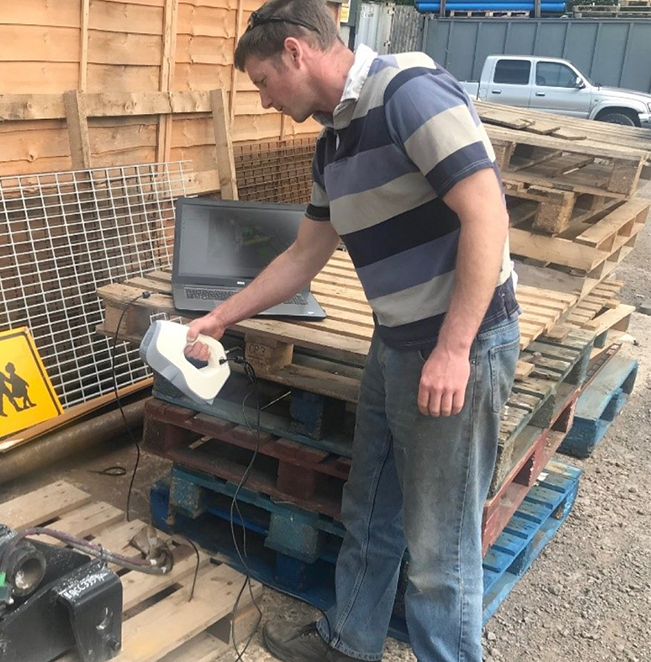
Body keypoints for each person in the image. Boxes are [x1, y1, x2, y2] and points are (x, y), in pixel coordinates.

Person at [184, 1, 521, 660]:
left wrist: (454, 349)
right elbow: (303, 255)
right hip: (393, 342)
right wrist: (221, 317)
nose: (264, 101)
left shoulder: (409, 95)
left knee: (440, 545)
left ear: (295, 51)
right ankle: (350, 643)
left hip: (457, 344)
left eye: (263, 83)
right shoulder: (333, 142)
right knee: (371, 509)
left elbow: (487, 214)